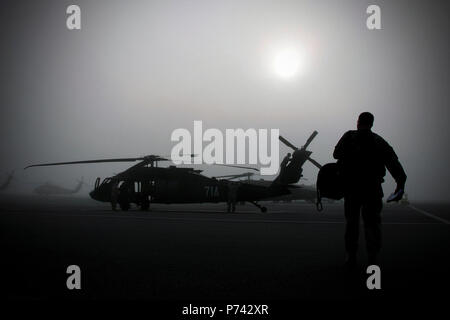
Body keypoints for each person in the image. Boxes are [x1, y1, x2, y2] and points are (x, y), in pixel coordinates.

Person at [333, 112, 406, 268]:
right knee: (372, 224)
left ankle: (351, 257)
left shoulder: (349, 137)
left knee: (352, 223)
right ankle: (372, 258)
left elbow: (336, 154)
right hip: (372, 189)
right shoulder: (379, 141)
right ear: (372, 124)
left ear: (358, 122)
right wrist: (400, 186)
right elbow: (394, 165)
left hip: (352, 189)